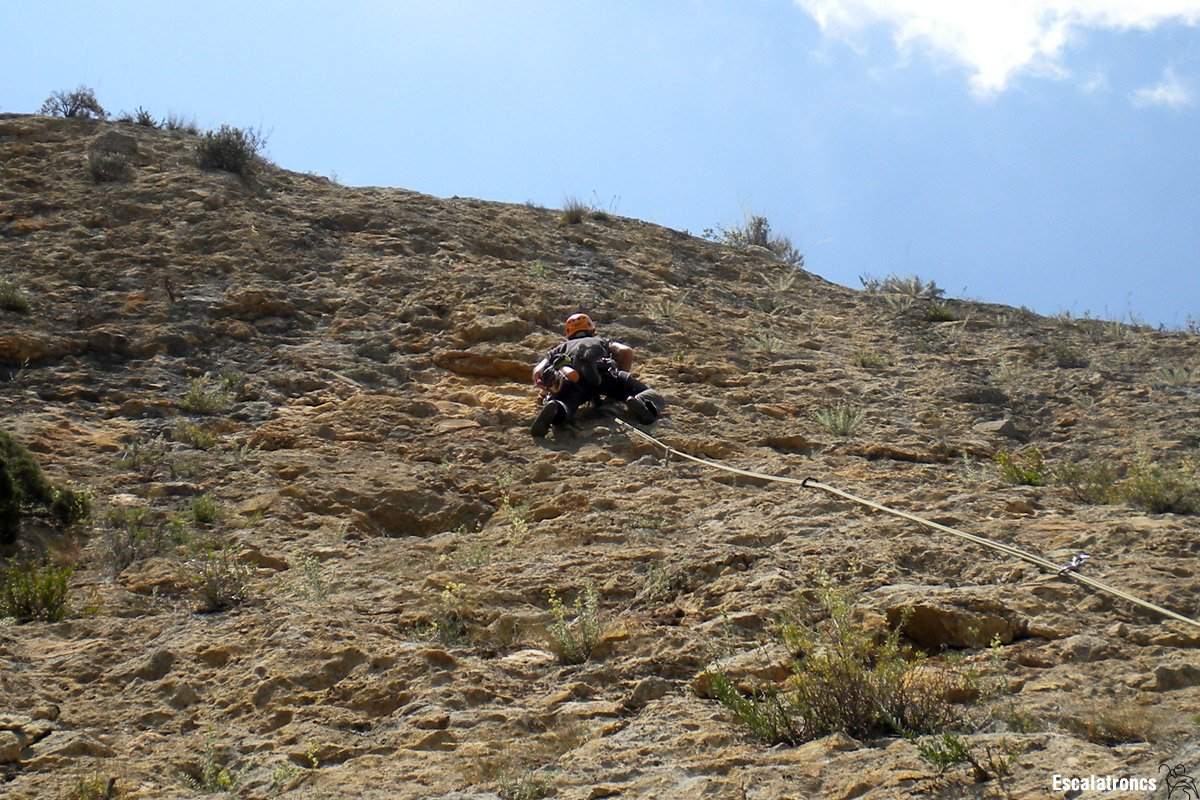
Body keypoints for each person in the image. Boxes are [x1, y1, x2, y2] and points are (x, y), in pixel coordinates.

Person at [530, 313, 664, 437]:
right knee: (651, 395)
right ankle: (641, 402)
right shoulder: (601, 341)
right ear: (592, 330)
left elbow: (538, 370)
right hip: (605, 373)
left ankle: (556, 409)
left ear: (568, 334)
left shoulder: (560, 348)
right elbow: (625, 351)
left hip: (573, 380)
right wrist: (621, 376)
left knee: (567, 403)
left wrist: (543, 385)